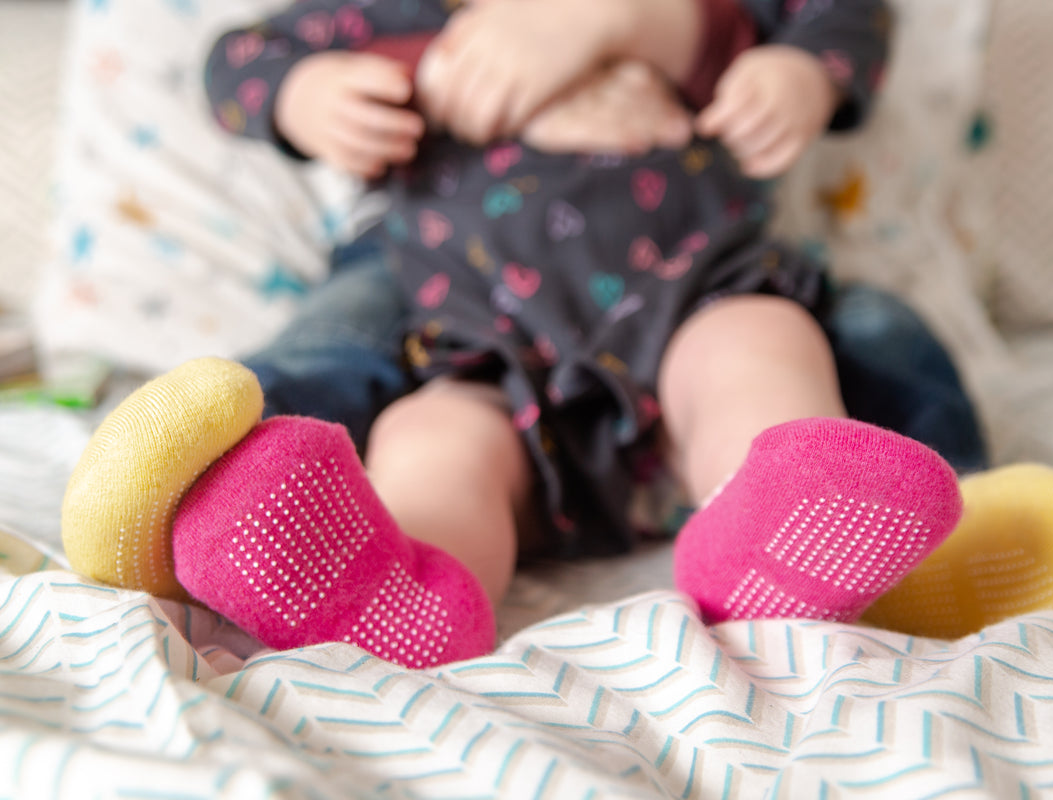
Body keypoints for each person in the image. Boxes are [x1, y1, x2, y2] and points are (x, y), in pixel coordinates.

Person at [63, 0, 992, 668]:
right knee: (433, 437)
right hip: (478, 347)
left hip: (696, 296)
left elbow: (843, 16)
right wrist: (304, 93)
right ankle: (402, 591)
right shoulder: (396, 21)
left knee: (763, 345)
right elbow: (240, 60)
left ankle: (770, 539)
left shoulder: (713, 17)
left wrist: (799, 74)